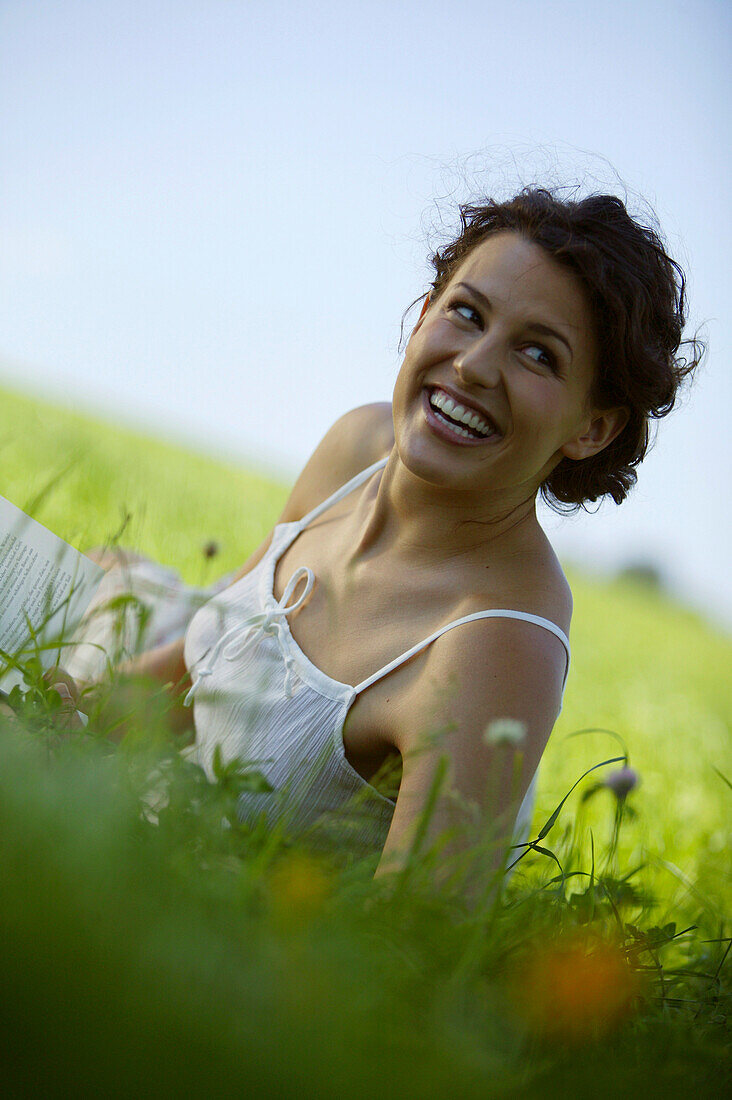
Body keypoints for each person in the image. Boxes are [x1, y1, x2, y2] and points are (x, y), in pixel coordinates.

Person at [31, 186, 701, 876]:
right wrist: (64, 713)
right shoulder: (358, 444)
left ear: (592, 428)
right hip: (172, 778)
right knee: (84, 586)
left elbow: (411, 943)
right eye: (467, 313)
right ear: (421, 318)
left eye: (539, 356)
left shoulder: (498, 643)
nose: (474, 365)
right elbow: (204, 662)